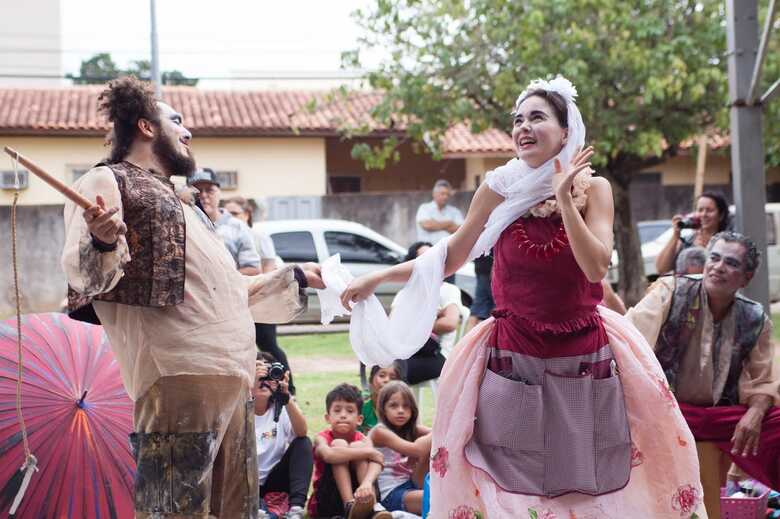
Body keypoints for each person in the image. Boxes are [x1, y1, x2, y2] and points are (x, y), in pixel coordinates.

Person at [337, 77, 706, 517]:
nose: (523, 127)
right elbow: (452, 254)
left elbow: (595, 266)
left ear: (566, 131)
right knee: (510, 482)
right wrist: (379, 277)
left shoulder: (596, 189)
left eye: (537, 117)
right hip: (512, 354)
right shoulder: (498, 188)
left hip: (584, 352)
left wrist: (566, 200)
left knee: (586, 479)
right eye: (518, 119)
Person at [62, 76, 325, 518]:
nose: (188, 132)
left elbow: (227, 291)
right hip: (177, 375)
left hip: (235, 377)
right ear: (146, 127)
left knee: (235, 511)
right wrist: (104, 241)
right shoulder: (107, 180)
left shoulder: (185, 204)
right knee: (173, 511)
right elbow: (83, 271)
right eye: (177, 121)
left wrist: (293, 275)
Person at [627, 231, 780, 491]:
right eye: (715, 258)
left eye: (731, 263)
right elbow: (629, 337)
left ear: (746, 277)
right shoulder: (671, 291)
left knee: (775, 420)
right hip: (666, 410)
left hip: (720, 417)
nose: (718, 267)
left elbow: (764, 380)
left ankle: (755, 491)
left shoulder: (754, 318)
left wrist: (755, 412)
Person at [224, 195, 296, 394]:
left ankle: (288, 389)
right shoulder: (221, 235)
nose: (229, 218)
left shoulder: (259, 238)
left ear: (247, 215)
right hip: (235, 302)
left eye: (234, 213)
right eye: (226, 213)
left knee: (268, 345)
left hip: (261, 303)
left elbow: (269, 271)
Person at [308, 384, 391, 519]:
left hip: (362, 494)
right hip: (328, 499)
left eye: (350, 411)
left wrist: (367, 483)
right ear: (328, 417)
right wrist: (368, 453)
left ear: (359, 419)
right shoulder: (322, 438)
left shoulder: (362, 439)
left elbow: (378, 461)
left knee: (357, 446)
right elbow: (329, 455)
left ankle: (374, 507)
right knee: (338, 445)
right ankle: (349, 506)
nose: (343, 415)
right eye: (337, 410)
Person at [392, 242, 462, 387]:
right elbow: (392, 326)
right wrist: (433, 316)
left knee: (395, 371)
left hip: (437, 355)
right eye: (425, 259)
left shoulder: (448, 290)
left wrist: (412, 323)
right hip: (406, 352)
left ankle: (401, 407)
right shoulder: (404, 294)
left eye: (435, 258)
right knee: (381, 368)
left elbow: (449, 323)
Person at [253, 353, 312, 519]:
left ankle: (296, 509)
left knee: (303, 442)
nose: (264, 381)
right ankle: (257, 507)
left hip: (274, 479)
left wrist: (287, 398)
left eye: (269, 374)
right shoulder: (239, 406)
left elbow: (302, 432)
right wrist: (249, 386)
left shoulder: (280, 406)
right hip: (244, 480)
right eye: (259, 374)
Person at [369, 381, 432, 515]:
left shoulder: (410, 429)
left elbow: (436, 436)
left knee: (433, 446)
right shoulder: (379, 432)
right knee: (435, 499)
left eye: (406, 406)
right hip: (392, 494)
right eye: (393, 406)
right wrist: (443, 426)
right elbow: (417, 449)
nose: (401, 411)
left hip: (413, 483)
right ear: (383, 409)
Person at [189, 169, 261, 275]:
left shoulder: (237, 227)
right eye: (197, 191)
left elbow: (253, 269)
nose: (203, 195)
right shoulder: (186, 226)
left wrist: (220, 278)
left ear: (219, 193)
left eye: (209, 190)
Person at [655, 191, 730, 275]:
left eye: (709, 210)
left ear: (721, 215)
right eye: (700, 210)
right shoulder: (687, 241)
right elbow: (661, 269)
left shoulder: (727, 243)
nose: (704, 214)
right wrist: (675, 235)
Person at [416, 179, 464, 244]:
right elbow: (427, 225)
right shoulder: (424, 208)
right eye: (442, 194)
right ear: (434, 194)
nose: (445, 197)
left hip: (449, 250)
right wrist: (449, 223)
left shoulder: (455, 211)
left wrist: (435, 223)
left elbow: (461, 230)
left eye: (447, 194)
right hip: (428, 249)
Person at [360, 364, 401, 434]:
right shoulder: (361, 404)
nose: (387, 380)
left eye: (393, 378)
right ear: (371, 381)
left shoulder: (402, 407)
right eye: (382, 376)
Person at [465, 252, 495, 332]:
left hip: (481, 268)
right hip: (491, 270)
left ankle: (468, 341)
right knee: (494, 312)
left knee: (477, 310)